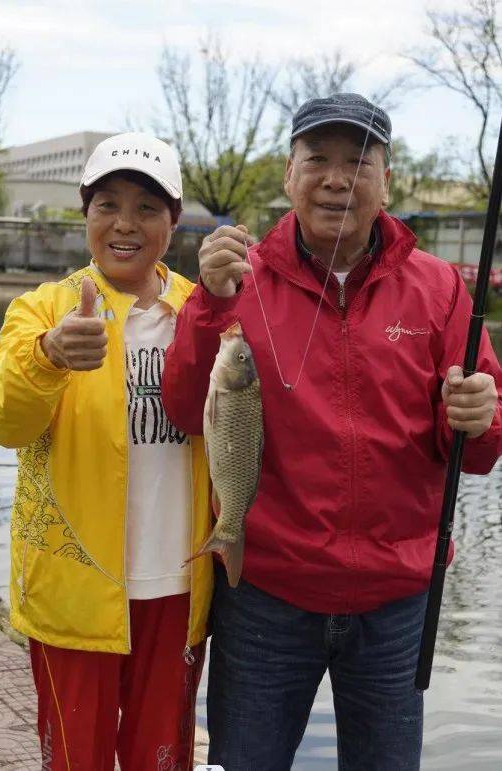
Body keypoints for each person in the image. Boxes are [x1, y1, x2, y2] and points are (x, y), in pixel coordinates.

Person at [162, 93, 502, 770]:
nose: (336, 178)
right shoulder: (238, 279)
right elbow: (179, 409)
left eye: (358, 161)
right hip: (265, 595)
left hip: (398, 599)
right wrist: (207, 304)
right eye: (317, 158)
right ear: (288, 174)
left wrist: (478, 413)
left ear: (386, 176)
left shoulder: (437, 289)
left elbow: (478, 453)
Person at [0, 132, 213, 771]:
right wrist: (48, 357)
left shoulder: (206, 313)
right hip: (74, 593)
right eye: (107, 204)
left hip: (179, 586)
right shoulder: (42, 309)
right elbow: (1, 418)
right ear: (85, 215)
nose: (125, 224)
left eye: (147, 207)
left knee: (160, 760)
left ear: (174, 221)